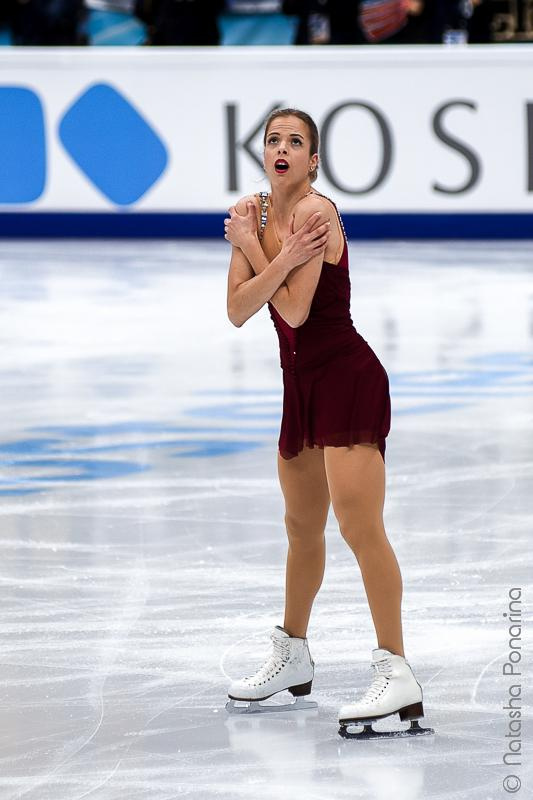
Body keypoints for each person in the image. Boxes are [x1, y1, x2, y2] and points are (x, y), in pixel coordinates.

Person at [224, 108, 433, 738]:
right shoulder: (252, 212)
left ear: (313, 160)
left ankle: (397, 672)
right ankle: (293, 654)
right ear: (263, 154)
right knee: (300, 526)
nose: (282, 148)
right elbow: (237, 310)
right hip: (300, 388)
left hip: (346, 379)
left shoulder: (315, 215)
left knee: (359, 525)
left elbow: (291, 308)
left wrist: (256, 249)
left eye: (296, 142)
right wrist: (265, 248)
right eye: (273, 140)